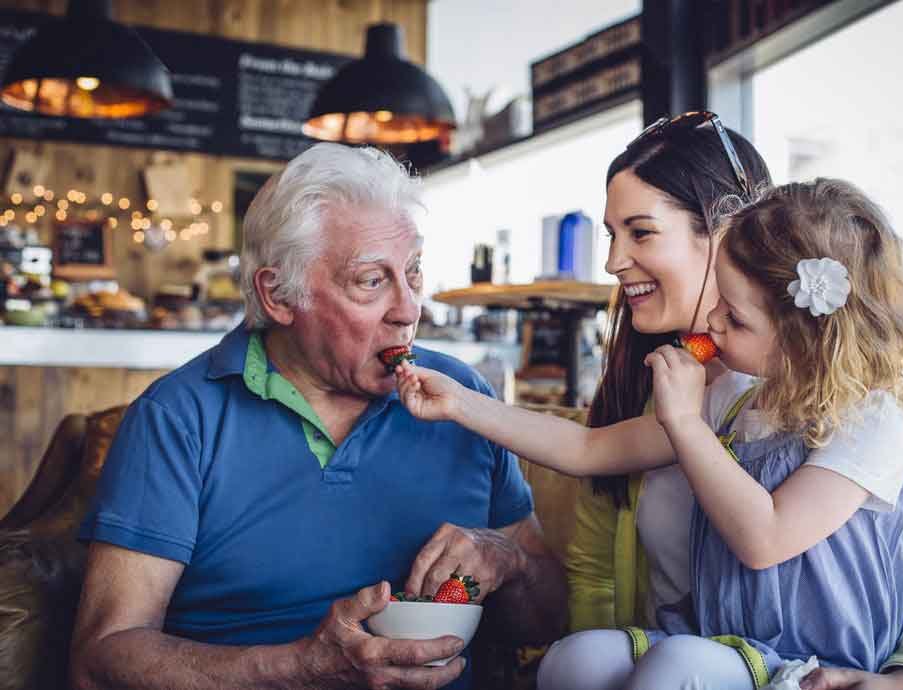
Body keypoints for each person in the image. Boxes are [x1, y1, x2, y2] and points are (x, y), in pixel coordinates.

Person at [395, 177, 903, 687]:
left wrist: (684, 421)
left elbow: (765, 539)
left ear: (807, 339)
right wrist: (463, 403)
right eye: (718, 303)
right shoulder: (736, 403)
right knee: (574, 659)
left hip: (813, 662)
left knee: (678, 666)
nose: (713, 324)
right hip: (722, 640)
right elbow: (590, 448)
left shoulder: (870, 423)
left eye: (735, 317)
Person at [68, 143, 567, 690]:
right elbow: (101, 656)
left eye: (413, 272)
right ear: (279, 295)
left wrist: (508, 560)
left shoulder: (462, 397)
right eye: (371, 281)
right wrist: (300, 667)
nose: (408, 310)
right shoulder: (177, 420)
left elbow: (548, 618)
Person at [562, 113, 903, 690]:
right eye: (611, 234)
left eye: (641, 232)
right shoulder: (655, 389)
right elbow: (594, 577)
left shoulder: (851, 405)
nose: (612, 262)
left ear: (728, 229)